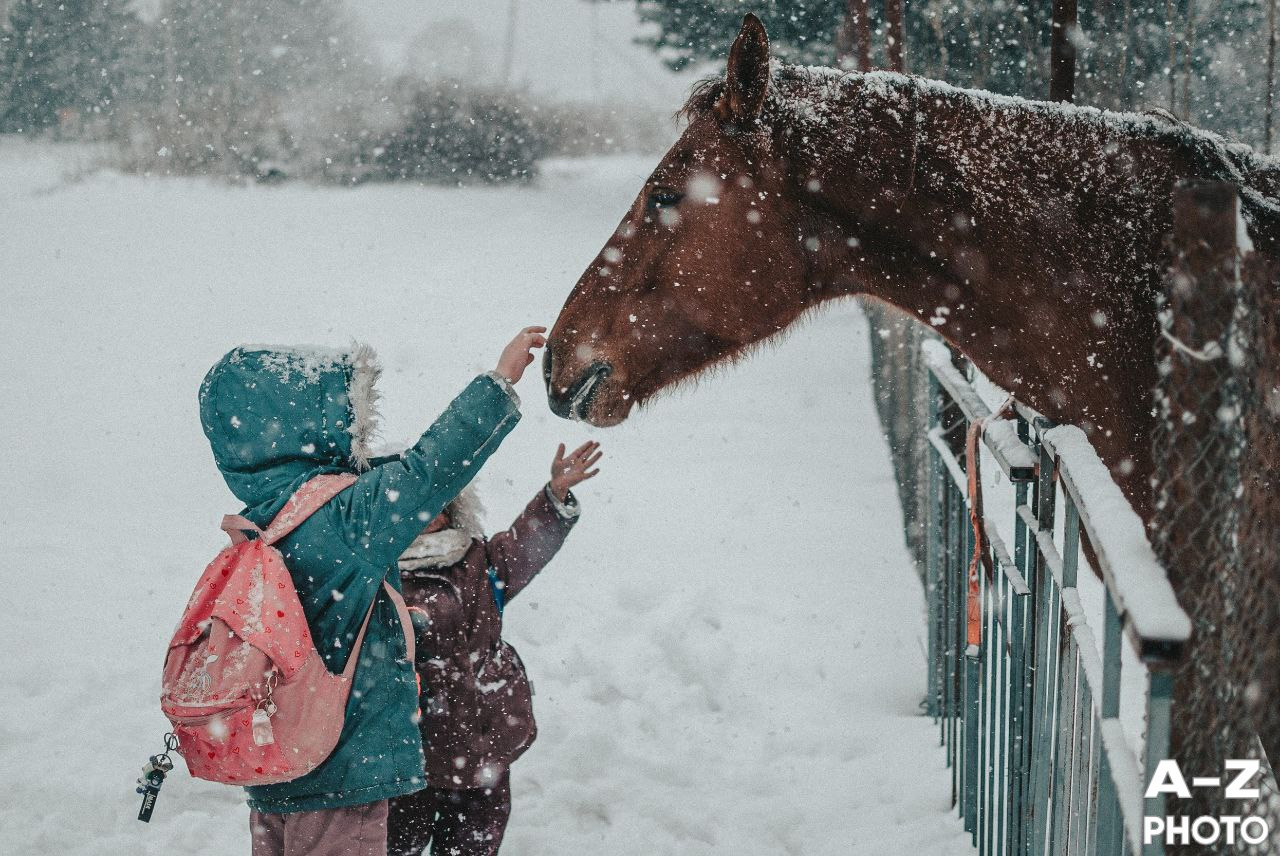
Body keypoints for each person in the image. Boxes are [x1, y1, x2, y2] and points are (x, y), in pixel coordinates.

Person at [197, 327, 548, 856]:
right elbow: (429, 469)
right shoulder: (340, 518)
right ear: (309, 428)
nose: (356, 432)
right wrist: (499, 382)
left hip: (278, 772)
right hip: (338, 777)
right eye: (352, 416)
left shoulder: (260, 522)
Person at [386, 441, 603, 856]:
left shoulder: (479, 560)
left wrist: (554, 495)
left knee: (472, 846)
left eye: (436, 505)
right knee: (395, 846)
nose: (427, 517)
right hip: (406, 756)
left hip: (480, 742)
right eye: (415, 507)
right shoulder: (378, 576)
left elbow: (527, 546)